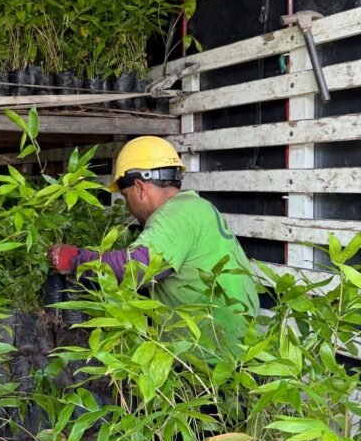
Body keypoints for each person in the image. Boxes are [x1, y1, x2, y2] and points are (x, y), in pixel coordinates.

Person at [48, 136, 259, 353]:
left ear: (140, 188)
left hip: (215, 353)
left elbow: (135, 267)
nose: (127, 206)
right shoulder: (197, 206)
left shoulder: (176, 214)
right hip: (235, 344)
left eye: (126, 196)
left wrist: (75, 259)